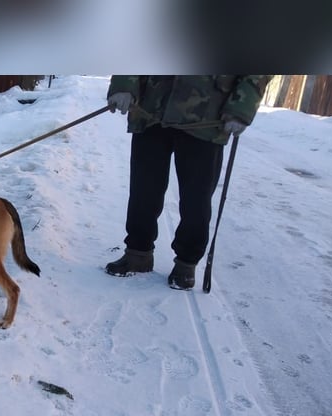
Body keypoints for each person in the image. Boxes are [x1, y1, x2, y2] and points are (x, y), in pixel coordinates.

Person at [105, 75, 271, 289]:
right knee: (143, 189)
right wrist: (124, 84)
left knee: (196, 198)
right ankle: (138, 254)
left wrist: (242, 107)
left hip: (206, 115)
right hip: (153, 107)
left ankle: (186, 263)